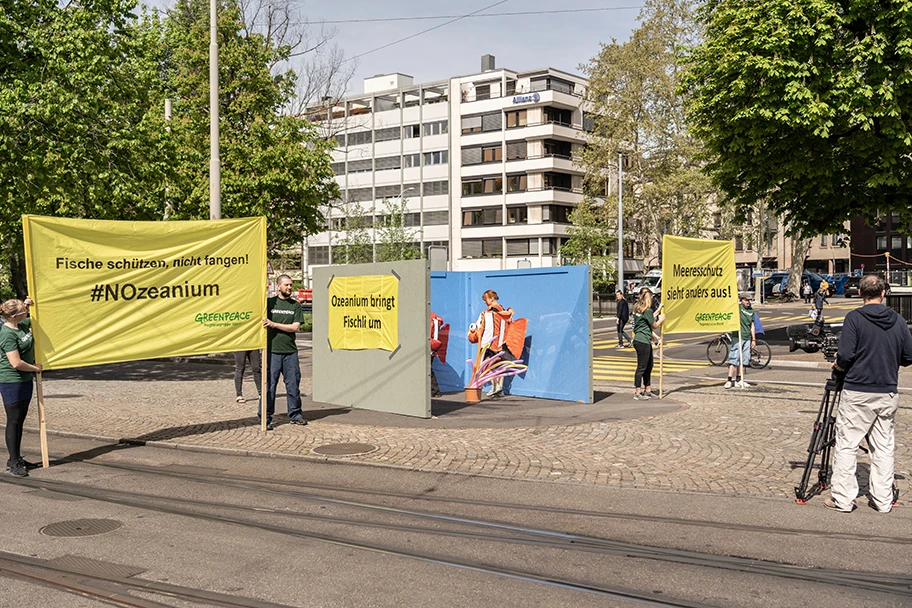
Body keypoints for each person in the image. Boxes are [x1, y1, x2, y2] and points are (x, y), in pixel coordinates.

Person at [826, 275, 912, 513]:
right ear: (883, 293)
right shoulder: (897, 320)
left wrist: (838, 367)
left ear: (860, 293)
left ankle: (843, 499)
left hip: (857, 390)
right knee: (883, 447)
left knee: (847, 445)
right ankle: (883, 500)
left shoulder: (855, 318)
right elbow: (909, 355)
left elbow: (845, 355)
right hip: (886, 390)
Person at [0, 298, 41, 477]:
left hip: (25, 380)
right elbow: (16, 363)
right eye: (24, 309)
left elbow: (39, 316)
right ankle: (14, 462)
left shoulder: (22, 324)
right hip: (11, 380)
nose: (27, 310)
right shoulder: (7, 334)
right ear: (16, 315)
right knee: (14, 420)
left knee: (20, 420)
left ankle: (15, 458)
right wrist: (35, 368)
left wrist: (31, 302)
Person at [262, 274, 305, 430]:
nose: (289, 287)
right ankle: (265, 417)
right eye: (286, 285)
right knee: (269, 386)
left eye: (291, 285)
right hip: (272, 351)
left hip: (290, 352)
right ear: (278, 286)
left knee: (293, 385)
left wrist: (273, 324)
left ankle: (295, 414)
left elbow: (295, 327)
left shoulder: (295, 306)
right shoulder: (269, 303)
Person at [467, 290, 521, 397]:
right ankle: (499, 388)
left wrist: (473, 330)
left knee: (486, 365)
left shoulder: (487, 313)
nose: (484, 302)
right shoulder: (504, 311)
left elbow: (479, 326)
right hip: (503, 343)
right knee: (500, 366)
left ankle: (496, 386)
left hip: (490, 343)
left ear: (491, 298)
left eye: (485, 299)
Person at [631, 289, 665, 400]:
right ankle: (638, 392)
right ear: (648, 299)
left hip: (640, 340)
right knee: (642, 367)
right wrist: (661, 319)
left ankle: (648, 389)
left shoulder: (639, 309)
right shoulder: (647, 311)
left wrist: (659, 310)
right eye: (651, 298)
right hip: (643, 341)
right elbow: (654, 325)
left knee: (648, 365)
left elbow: (649, 318)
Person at [724, 294, 756, 389]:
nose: (748, 302)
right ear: (741, 300)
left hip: (747, 337)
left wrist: (753, 339)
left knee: (744, 359)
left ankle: (739, 379)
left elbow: (752, 325)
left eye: (749, 300)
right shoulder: (738, 308)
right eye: (746, 300)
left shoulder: (751, 311)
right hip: (738, 336)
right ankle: (729, 380)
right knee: (735, 357)